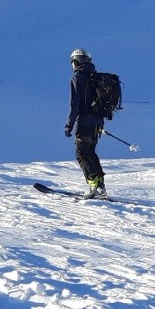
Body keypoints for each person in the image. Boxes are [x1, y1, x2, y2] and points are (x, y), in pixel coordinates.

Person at [64, 48, 107, 199]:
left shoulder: (78, 78)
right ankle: (101, 186)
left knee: (81, 153)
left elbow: (75, 105)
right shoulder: (95, 76)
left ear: (75, 61)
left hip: (85, 122)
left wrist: (69, 124)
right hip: (97, 122)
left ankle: (93, 185)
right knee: (91, 152)